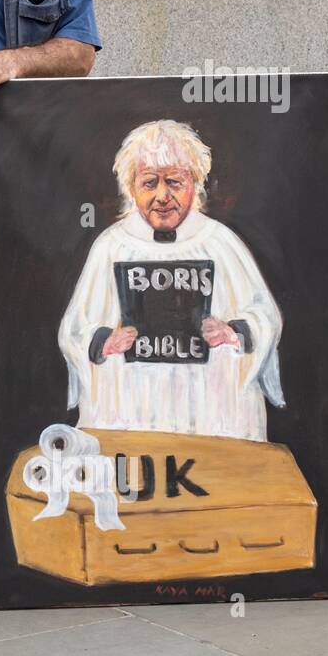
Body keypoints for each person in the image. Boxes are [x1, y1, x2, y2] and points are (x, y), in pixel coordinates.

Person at [58, 120, 284, 443]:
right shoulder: (111, 247)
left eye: (174, 182)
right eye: (150, 183)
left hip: (212, 415)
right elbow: (74, 329)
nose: (162, 196)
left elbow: (266, 317)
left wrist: (233, 332)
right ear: (131, 186)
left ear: (194, 182)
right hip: (132, 415)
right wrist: (105, 341)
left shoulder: (221, 244)